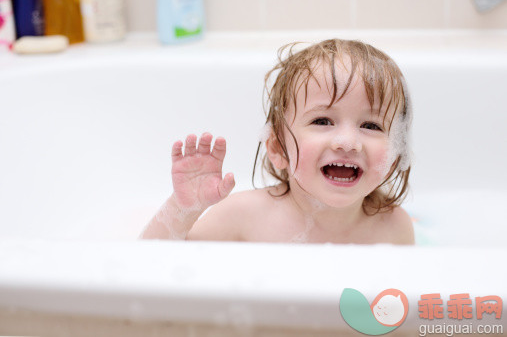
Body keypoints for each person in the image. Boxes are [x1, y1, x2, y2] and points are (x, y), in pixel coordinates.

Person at [140, 38, 415, 244]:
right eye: (322, 121)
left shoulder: (394, 228)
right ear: (276, 148)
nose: (347, 142)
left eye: (371, 125)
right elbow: (148, 267)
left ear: (395, 155)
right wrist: (182, 208)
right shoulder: (245, 215)